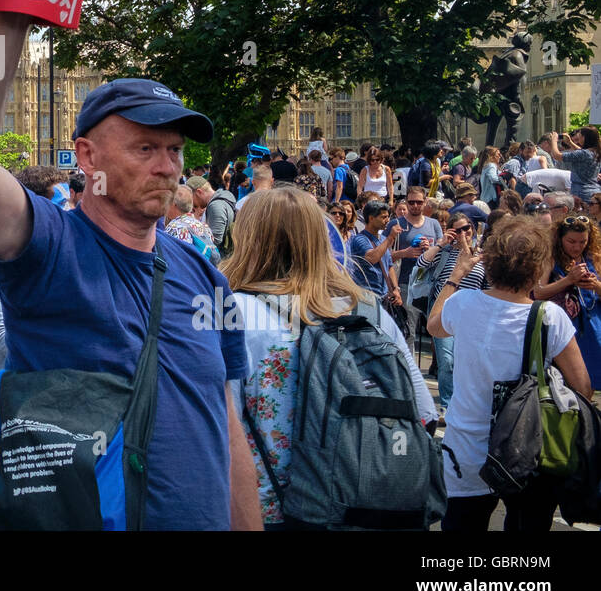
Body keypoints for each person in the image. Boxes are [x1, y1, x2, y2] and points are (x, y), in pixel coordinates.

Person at [0, 53, 260, 530]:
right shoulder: (51, 246)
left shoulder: (205, 277)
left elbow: (226, 426)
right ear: (88, 157)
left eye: (174, 151)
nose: (166, 167)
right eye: (146, 148)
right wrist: (9, 22)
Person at [227, 188, 435, 529]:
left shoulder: (235, 311)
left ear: (249, 239)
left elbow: (221, 429)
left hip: (269, 508)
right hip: (361, 503)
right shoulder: (368, 308)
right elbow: (422, 411)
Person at [428, 217, 591, 531]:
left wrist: (457, 273)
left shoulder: (463, 302)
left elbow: (434, 326)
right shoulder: (549, 317)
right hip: (529, 449)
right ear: (536, 268)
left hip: (466, 448)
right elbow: (582, 386)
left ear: (492, 262)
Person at [414, 216, 486, 416]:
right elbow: (421, 264)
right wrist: (441, 243)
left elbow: (487, 285)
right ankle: (447, 405)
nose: (464, 233)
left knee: (466, 361)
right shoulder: (445, 253)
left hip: (472, 316)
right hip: (444, 312)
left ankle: (463, 402)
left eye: (467, 228)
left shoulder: (481, 256)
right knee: (447, 360)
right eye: (458, 230)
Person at [535, 215, 601, 387]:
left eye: (582, 241)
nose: (577, 247)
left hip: (594, 327)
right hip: (565, 329)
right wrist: (568, 280)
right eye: (571, 241)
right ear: (560, 238)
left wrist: (596, 286)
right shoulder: (550, 258)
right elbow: (538, 292)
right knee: (573, 382)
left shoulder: (594, 257)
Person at [542, 128, 601, 204]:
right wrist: (569, 143)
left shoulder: (584, 154)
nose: (577, 137)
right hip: (594, 190)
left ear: (584, 137)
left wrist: (553, 141)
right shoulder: (596, 152)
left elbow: (557, 156)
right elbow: (581, 152)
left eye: (579, 134)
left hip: (581, 193)